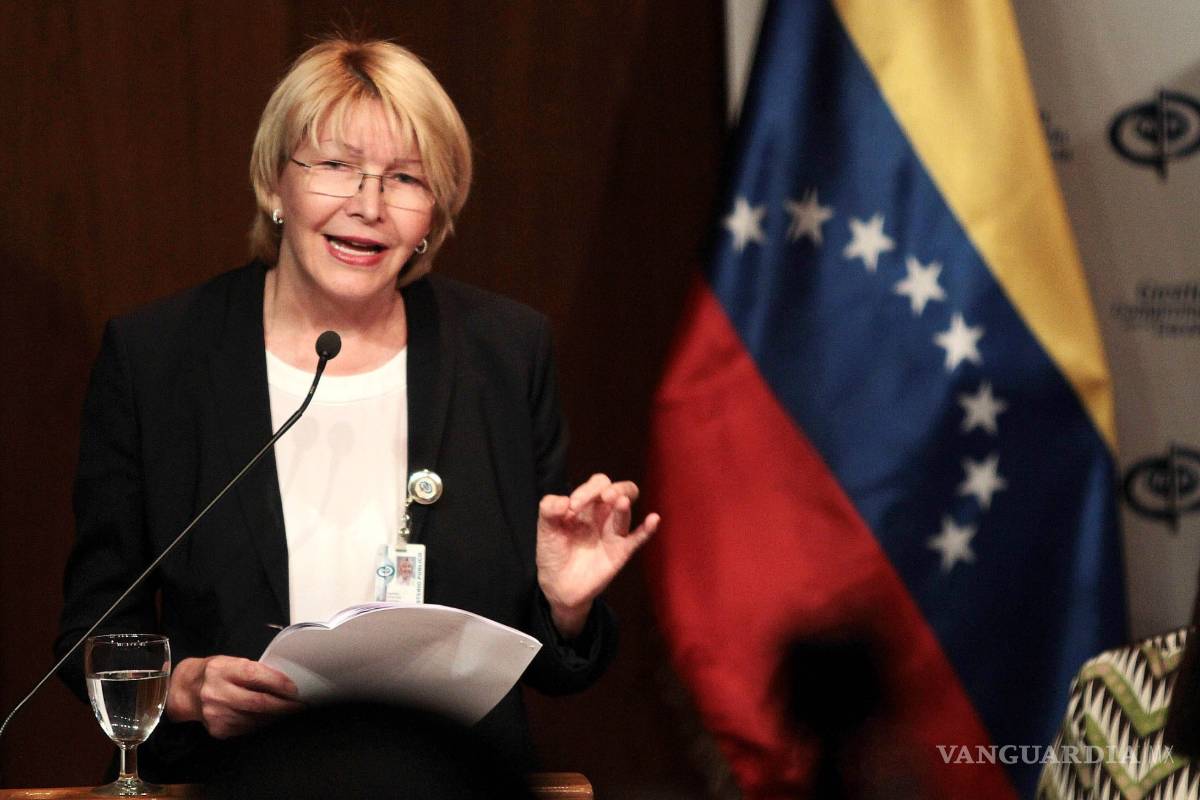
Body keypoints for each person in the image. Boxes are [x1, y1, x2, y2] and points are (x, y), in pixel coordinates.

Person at [56, 37, 658, 783]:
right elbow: (93, 630)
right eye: (336, 166)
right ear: (275, 183)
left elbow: (554, 671)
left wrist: (564, 609)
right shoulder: (158, 358)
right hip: (235, 780)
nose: (368, 207)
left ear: (434, 211)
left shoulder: (503, 354)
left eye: (405, 178)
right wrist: (184, 688)